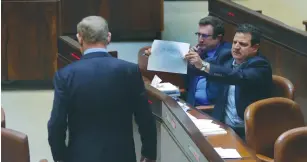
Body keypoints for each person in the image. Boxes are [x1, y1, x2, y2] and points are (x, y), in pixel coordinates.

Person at [48, 16, 157, 162]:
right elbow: (145, 118)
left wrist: (60, 158)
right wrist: (149, 154)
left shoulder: (65, 75)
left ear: (79, 38)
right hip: (121, 155)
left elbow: (56, 124)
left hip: (80, 156)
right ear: (109, 37)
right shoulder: (129, 71)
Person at [185, 23, 273, 138]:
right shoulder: (226, 57)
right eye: (235, 42)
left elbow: (237, 76)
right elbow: (202, 69)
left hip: (247, 132)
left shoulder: (260, 66)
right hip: (222, 125)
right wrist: (191, 59)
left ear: (254, 48)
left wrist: (203, 65)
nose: (236, 47)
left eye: (242, 44)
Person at [145, 16, 232, 107]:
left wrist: (198, 61)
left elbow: (214, 67)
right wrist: (156, 55)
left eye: (205, 36)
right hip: (191, 103)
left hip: (210, 107)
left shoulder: (227, 52)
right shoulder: (201, 51)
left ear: (218, 37)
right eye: (198, 34)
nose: (200, 39)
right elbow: (186, 78)